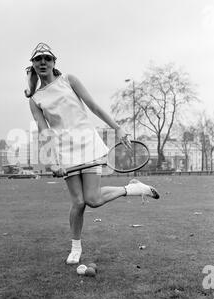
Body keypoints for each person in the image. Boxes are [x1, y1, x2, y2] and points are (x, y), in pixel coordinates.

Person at [25, 43, 159, 264]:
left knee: (94, 200)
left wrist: (117, 127)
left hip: (88, 145)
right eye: (38, 59)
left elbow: (93, 106)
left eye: (46, 58)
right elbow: (44, 131)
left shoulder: (69, 80)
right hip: (64, 153)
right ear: (33, 65)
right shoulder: (35, 99)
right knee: (78, 203)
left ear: (53, 62)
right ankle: (75, 247)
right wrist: (52, 161)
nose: (42, 62)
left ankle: (132, 189)